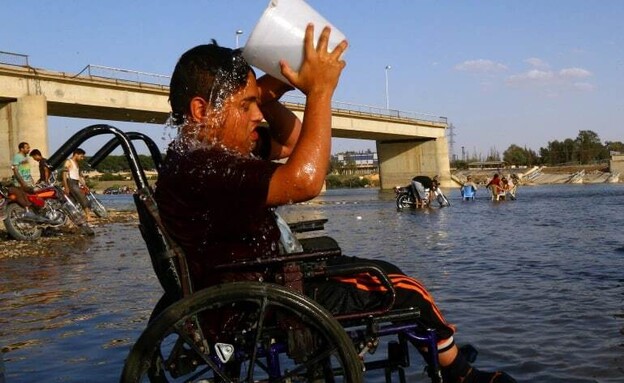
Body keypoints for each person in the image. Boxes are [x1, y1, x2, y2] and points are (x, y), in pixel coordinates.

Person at [154, 25, 514, 383]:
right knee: (405, 289)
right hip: (267, 303)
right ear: (202, 110)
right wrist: (320, 91)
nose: (258, 114)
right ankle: (458, 373)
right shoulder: (207, 167)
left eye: (256, 103)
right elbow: (306, 180)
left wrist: (277, 83)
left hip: (262, 284)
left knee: (380, 269)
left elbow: (292, 143)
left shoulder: (199, 158)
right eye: (246, 105)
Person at [62, 148, 92, 224]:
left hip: (75, 182)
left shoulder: (76, 163)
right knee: (82, 198)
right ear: (76, 154)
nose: (82, 158)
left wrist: (84, 185)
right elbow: (64, 175)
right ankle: (88, 216)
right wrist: (66, 186)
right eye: (81, 156)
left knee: (72, 201)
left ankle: (69, 218)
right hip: (71, 182)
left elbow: (78, 176)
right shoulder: (69, 162)